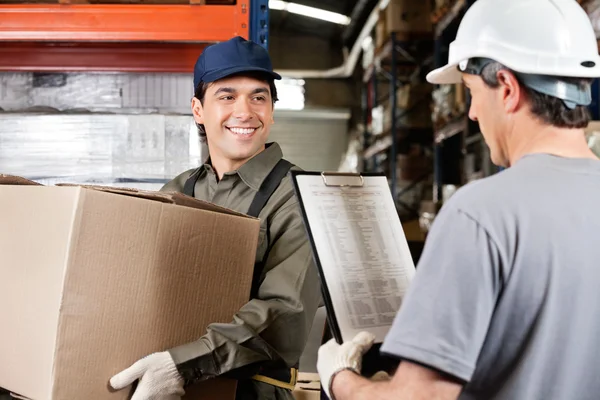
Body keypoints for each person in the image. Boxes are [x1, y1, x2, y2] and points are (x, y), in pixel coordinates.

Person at [316, 0, 600, 399]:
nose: (471, 113)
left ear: (507, 89)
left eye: (471, 92)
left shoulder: (480, 214)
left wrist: (341, 378)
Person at [109, 36, 321, 400]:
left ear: (271, 110)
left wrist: (180, 365)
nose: (245, 111)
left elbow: (283, 314)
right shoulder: (176, 191)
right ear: (197, 110)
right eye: (227, 96)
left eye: (259, 97)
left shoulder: (301, 195)